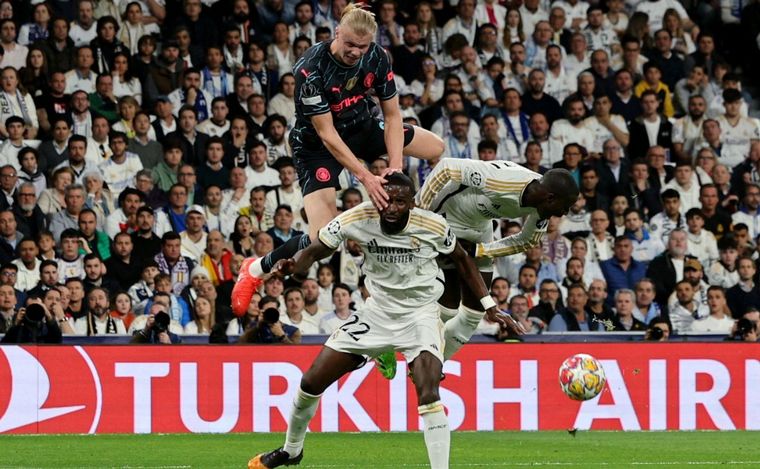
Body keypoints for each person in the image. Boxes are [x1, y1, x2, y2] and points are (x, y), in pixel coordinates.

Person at [248, 173, 505, 469]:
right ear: (376, 198)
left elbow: (461, 260)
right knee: (310, 382)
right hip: (377, 314)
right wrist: (296, 266)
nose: (392, 207)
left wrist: (488, 304)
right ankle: (291, 450)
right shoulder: (357, 217)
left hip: (420, 314)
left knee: (428, 390)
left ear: (412, 204)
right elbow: (319, 247)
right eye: (387, 200)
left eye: (400, 202)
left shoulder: (432, 225)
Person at [233, 4, 447, 316]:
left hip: (362, 128)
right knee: (323, 238)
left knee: (436, 148)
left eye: (362, 46)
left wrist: (396, 165)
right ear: (337, 33)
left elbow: (391, 113)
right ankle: (254, 269)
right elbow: (328, 134)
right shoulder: (310, 69)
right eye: (349, 45)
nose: (356, 52)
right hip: (317, 145)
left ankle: (429, 219)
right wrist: (367, 177)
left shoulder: (376, 56)